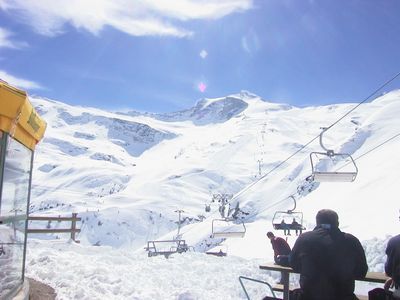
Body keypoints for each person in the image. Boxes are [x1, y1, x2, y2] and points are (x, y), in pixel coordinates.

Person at [290, 209, 368, 300]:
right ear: (337, 223)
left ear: (317, 222)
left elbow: (293, 263)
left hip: (309, 296)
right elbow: (361, 271)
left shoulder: (304, 239)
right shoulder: (351, 241)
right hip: (343, 296)